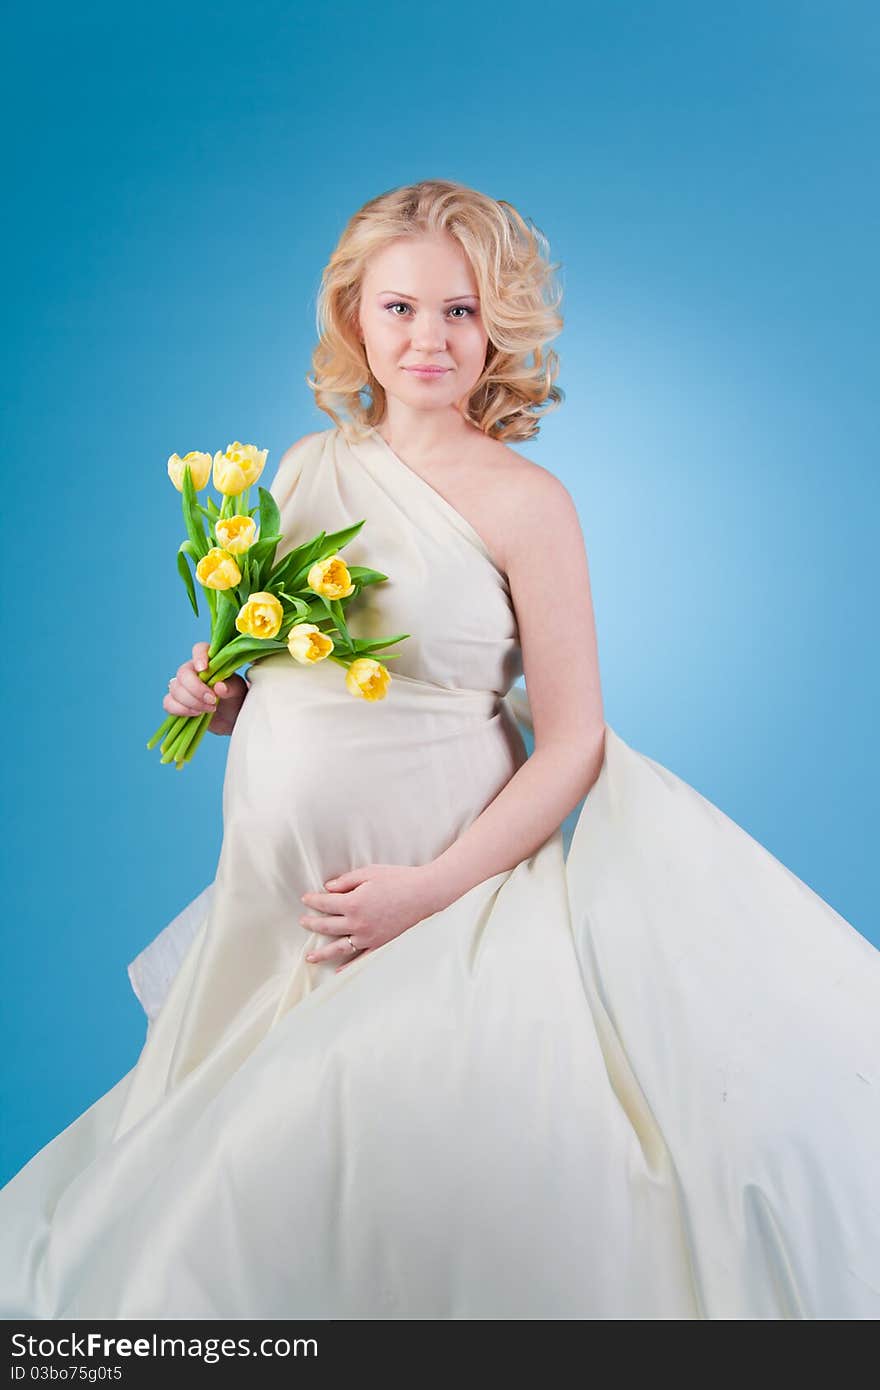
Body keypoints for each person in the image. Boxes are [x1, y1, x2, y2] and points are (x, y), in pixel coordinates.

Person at [1, 179, 878, 1320]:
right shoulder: (303, 471)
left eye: (460, 312)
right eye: (401, 308)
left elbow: (571, 744)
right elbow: (288, 674)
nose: (429, 338)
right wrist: (214, 691)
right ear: (354, 319)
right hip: (283, 915)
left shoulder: (527, 503)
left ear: (496, 328)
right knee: (213, 1204)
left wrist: (427, 891)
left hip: (450, 905)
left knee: (322, 1176)